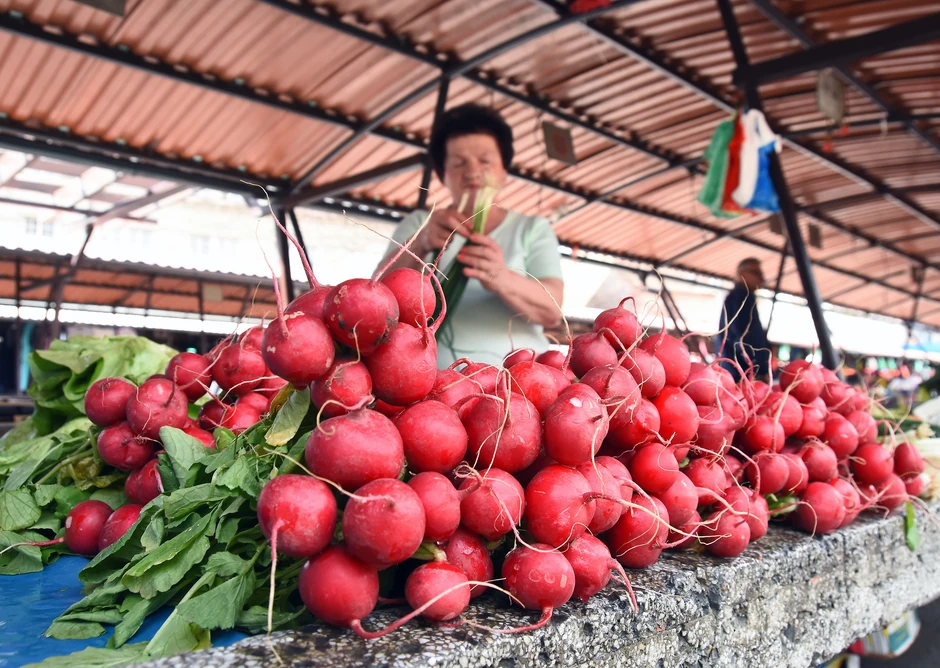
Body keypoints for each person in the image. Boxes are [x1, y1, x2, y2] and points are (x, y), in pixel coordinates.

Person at [376, 104, 564, 368]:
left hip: (519, 380)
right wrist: (421, 244)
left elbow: (553, 310)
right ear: (443, 174)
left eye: (485, 161)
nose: (473, 171)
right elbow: (376, 295)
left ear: (503, 170)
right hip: (431, 380)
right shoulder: (421, 223)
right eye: (458, 163)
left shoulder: (532, 228)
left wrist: (501, 277)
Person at [715, 257, 771, 381]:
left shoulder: (738, 296)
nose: (761, 278)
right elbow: (745, 336)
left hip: (734, 369)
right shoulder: (742, 297)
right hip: (741, 372)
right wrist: (758, 368)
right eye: (757, 273)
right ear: (742, 274)